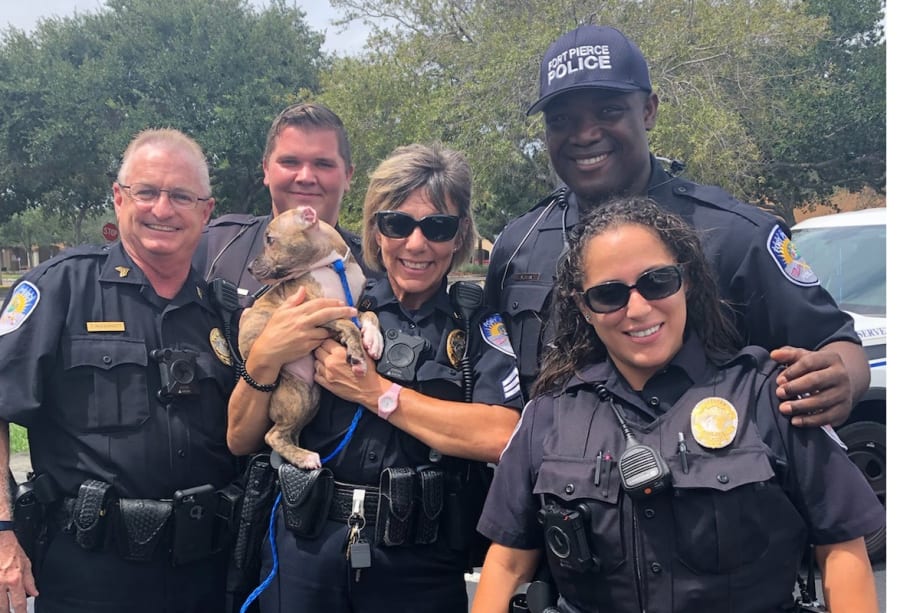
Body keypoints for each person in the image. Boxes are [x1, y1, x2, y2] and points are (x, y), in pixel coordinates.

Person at [472, 196, 884, 613]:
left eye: (657, 282)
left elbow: (840, 548)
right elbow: (506, 564)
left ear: (687, 280)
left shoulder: (770, 398)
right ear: (584, 307)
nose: (637, 309)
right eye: (609, 294)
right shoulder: (548, 415)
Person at [484, 24, 869, 427]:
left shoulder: (736, 235)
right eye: (561, 120)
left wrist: (841, 379)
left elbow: (836, 345)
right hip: (554, 463)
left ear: (648, 110)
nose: (584, 135)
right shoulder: (518, 245)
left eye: (608, 111)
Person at [227, 143, 524, 612]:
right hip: (305, 552)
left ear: (460, 235)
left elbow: (501, 435)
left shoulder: (475, 323)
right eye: (397, 224)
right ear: (376, 231)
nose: (416, 244)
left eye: (438, 227)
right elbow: (240, 439)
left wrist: (378, 393)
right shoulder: (331, 300)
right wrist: (264, 357)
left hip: (419, 566)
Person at [0, 129, 239, 612]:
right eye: (146, 191)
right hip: (89, 576)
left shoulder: (224, 313)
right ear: (118, 197)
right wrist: (2, 532)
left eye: (181, 196)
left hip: (206, 577)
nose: (162, 209)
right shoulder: (60, 289)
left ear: (206, 211)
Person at [198, 101, 379, 300]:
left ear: (348, 176)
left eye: (323, 164)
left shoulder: (377, 266)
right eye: (290, 162)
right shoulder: (212, 246)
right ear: (266, 169)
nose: (305, 177)